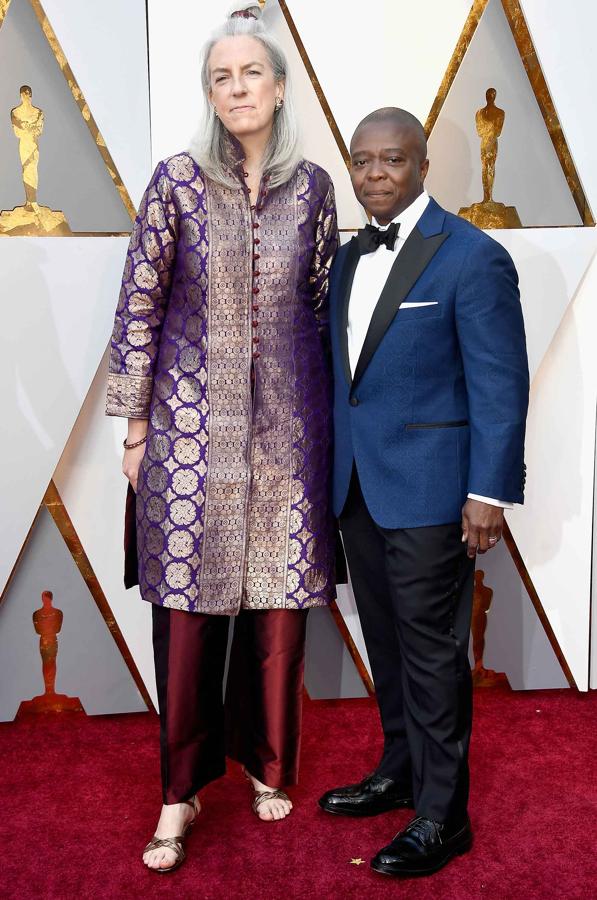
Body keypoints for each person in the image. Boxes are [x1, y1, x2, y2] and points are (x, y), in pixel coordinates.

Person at [105, 3, 338, 874]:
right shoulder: (174, 182)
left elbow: (320, 307)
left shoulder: (313, 188)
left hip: (288, 433)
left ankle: (270, 764)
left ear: (278, 87)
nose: (236, 88)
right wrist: (135, 426)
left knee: (279, 614)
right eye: (220, 76)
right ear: (209, 93)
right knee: (188, 619)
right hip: (187, 431)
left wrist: (332, 434)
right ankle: (179, 791)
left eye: (251, 74)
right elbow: (138, 305)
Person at [319, 108, 529, 878]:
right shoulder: (346, 258)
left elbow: (500, 384)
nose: (375, 174)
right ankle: (399, 771)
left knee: (433, 655)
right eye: (363, 161)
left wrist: (488, 491)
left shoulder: (472, 257)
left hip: (437, 493)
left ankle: (444, 816)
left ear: (423, 164)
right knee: (387, 642)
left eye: (392, 161)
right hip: (359, 489)